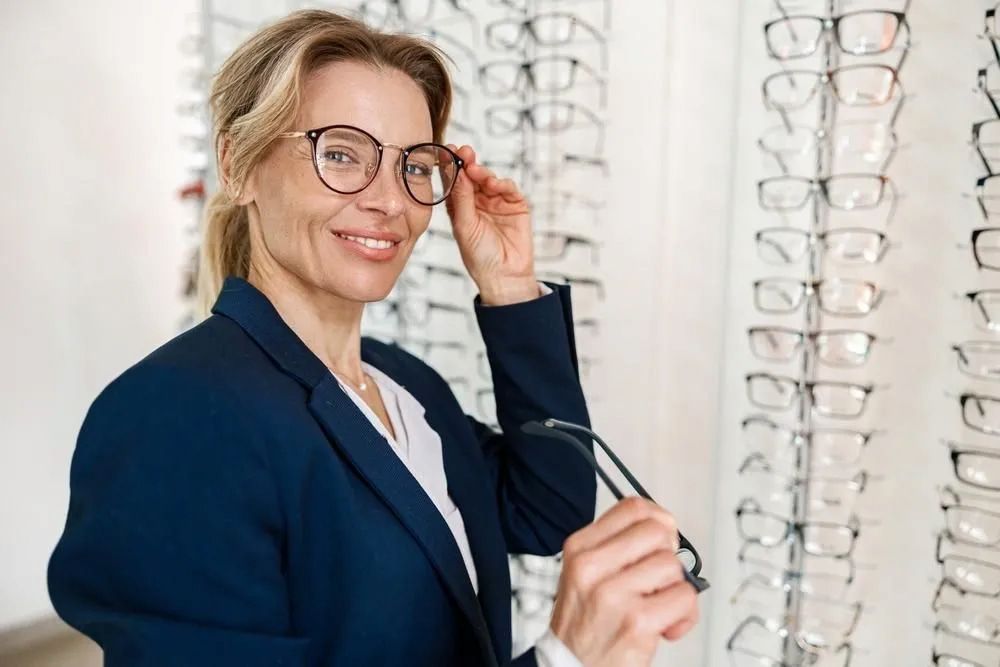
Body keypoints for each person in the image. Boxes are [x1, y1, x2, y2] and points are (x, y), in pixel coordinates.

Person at [47, 10, 698, 666]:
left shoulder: (404, 386)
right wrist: (564, 658)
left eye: (414, 165)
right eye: (340, 153)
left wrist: (510, 286)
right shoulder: (173, 417)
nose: (390, 199)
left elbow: (547, 507)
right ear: (238, 165)